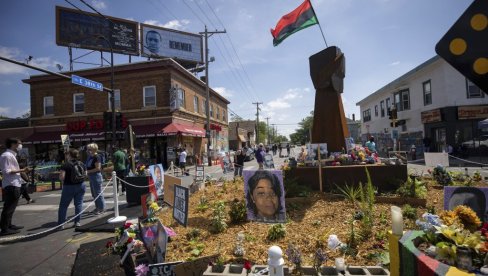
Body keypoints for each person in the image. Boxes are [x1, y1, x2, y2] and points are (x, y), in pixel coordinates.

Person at [0, 138, 30, 235]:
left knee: (11, 208)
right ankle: (4, 228)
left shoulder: (11, 155)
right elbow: (7, 171)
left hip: (15, 184)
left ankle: (9, 225)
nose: (20, 145)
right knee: (8, 208)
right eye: (19, 143)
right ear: (13, 144)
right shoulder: (6, 156)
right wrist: (22, 170)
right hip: (11, 185)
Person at [58, 149, 86, 229]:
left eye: (67, 154)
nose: (66, 156)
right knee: (79, 204)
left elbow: (62, 177)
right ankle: (77, 222)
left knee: (63, 206)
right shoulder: (82, 163)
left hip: (69, 186)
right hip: (81, 185)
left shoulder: (65, 165)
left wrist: (61, 179)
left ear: (70, 155)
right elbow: (85, 174)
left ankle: (61, 224)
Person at [86, 143, 105, 215]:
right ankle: (97, 207)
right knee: (94, 194)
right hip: (91, 176)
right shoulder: (90, 157)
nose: (87, 151)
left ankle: (101, 208)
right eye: (87, 149)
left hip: (96, 176)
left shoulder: (97, 157)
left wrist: (87, 171)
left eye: (89, 149)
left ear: (94, 149)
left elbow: (98, 168)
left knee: (98, 193)